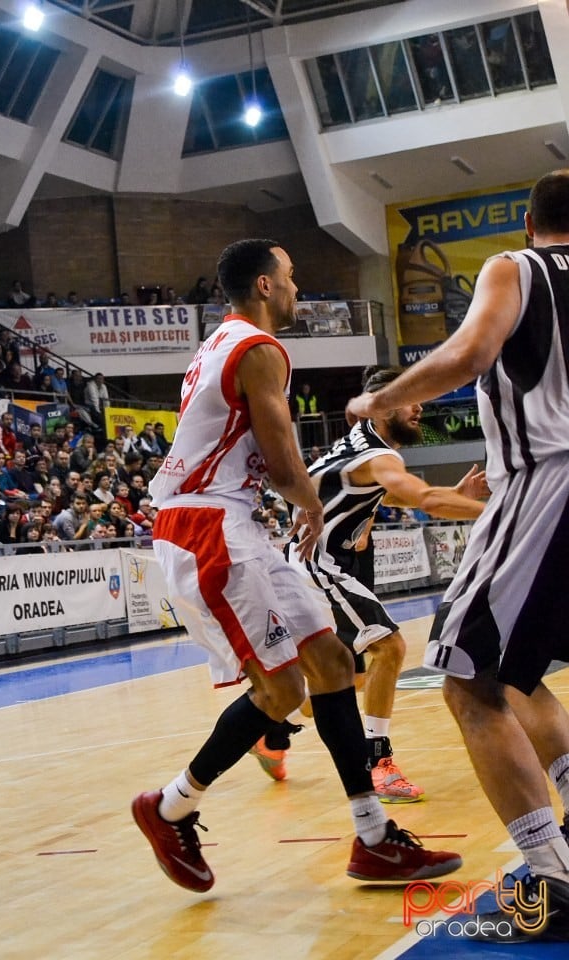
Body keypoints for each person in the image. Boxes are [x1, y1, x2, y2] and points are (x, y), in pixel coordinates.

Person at [132, 237, 462, 894]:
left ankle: (372, 839)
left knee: (335, 664)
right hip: (207, 525)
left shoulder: (220, 344)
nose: (296, 284)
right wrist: (311, 507)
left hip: (235, 520)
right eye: (289, 274)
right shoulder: (258, 349)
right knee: (282, 691)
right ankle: (168, 807)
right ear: (262, 285)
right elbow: (284, 463)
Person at [345, 171, 569, 942]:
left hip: (549, 476)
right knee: (524, 669)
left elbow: (471, 352)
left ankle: (554, 882)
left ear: (532, 221)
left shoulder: (516, 267)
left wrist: (379, 401)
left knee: (469, 679)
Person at [260, 366, 488, 794]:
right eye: (412, 398)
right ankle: (378, 762)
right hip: (316, 564)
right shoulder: (375, 455)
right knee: (390, 646)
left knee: (344, 677)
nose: (421, 406)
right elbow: (422, 498)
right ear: (383, 408)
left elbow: (405, 495)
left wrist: (456, 496)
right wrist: (501, 513)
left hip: (310, 563)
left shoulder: (364, 447)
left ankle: (272, 727)